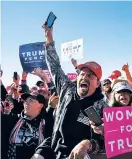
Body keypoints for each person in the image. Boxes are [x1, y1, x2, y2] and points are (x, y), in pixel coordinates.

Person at [32, 24, 107, 159]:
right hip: (54, 148)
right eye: (82, 74)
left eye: (91, 75)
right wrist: (49, 38)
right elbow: (55, 67)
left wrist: (88, 143)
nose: (85, 77)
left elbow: (106, 142)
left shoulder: (103, 106)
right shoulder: (67, 90)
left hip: (78, 155)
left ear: (97, 84)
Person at [1, 93, 53, 159]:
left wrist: (40, 152)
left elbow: (51, 139)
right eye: (25, 100)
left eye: (31, 100)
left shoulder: (46, 123)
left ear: (40, 105)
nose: (26, 103)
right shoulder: (12, 119)